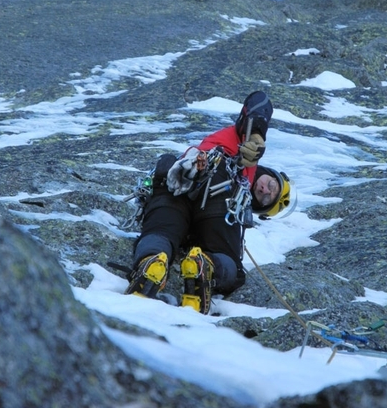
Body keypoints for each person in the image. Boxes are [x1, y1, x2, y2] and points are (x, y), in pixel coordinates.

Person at [124, 91, 292, 314]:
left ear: (256, 205)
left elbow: (258, 104)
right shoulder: (242, 147)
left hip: (175, 183)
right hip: (217, 191)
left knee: (161, 234)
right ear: (269, 173)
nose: (263, 189)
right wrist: (257, 135)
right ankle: (205, 268)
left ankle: (152, 261)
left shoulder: (237, 155)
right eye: (270, 185)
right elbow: (259, 104)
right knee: (230, 265)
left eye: (265, 197)